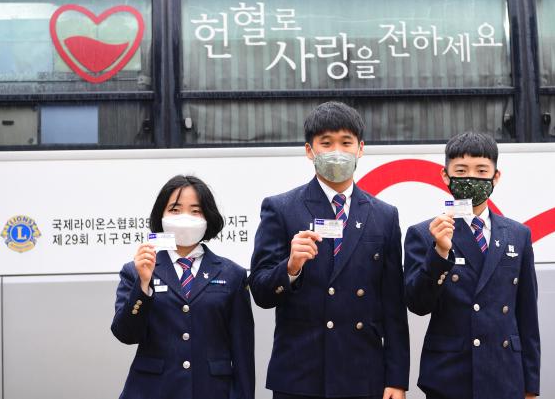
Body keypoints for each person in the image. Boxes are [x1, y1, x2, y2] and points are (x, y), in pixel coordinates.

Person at [249, 101, 409, 399]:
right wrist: (290, 267)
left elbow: (393, 307)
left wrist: (397, 379)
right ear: (309, 150)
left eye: (346, 142)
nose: (337, 151)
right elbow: (260, 292)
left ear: (360, 148)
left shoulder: (384, 215)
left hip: (364, 374)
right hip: (300, 377)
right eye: (326, 143)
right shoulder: (281, 208)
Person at [404, 132, 540, 399]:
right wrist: (439, 252)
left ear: (495, 177)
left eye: (481, 170)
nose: (472, 178)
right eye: (461, 170)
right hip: (449, 376)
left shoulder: (517, 234)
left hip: (505, 374)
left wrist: (531, 384)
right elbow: (418, 305)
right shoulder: (423, 233)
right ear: (446, 176)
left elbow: (527, 316)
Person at [111, 175, 254, 399]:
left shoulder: (232, 274)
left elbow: (242, 351)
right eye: (175, 210)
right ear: (161, 215)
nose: (184, 217)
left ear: (208, 217)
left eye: (195, 211)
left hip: (212, 390)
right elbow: (125, 334)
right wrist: (143, 285)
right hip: (151, 390)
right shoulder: (135, 270)